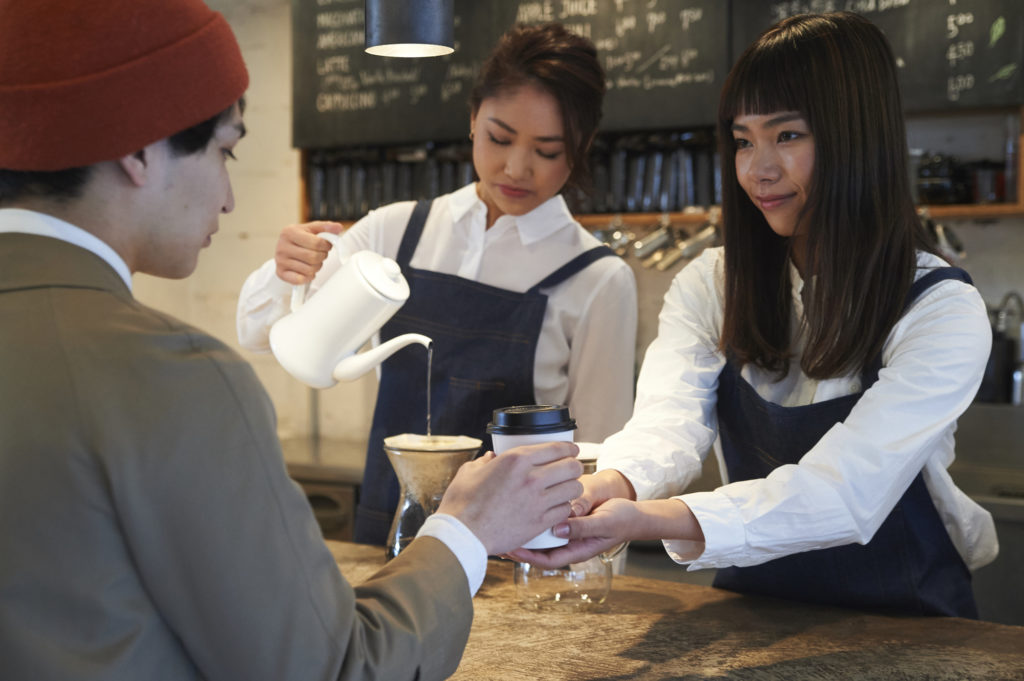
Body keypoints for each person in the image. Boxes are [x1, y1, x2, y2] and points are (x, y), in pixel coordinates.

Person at [0, 2, 584, 679]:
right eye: (226, 150)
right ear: (138, 150)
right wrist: (465, 528)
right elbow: (330, 666)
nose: (228, 198)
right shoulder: (176, 376)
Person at [513, 11, 999, 618]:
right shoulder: (712, 284)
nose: (757, 169)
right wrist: (608, 488)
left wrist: (644, 519)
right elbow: (670, 423)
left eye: (787, 136)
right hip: (752, 617)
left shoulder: (940, 308)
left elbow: (845, 491)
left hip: (912, 625)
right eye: (743, 141)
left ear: (858, 137)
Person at [237, 22, 638, 546]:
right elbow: (259, 334)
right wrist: (287, 268)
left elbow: (598, 456)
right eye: (499, 138)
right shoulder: (394, 232)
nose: (517, 167)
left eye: (547, 150)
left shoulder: (599, 278)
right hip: (391, 531)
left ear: (580, 147)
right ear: (472, 120)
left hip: (517, 550)